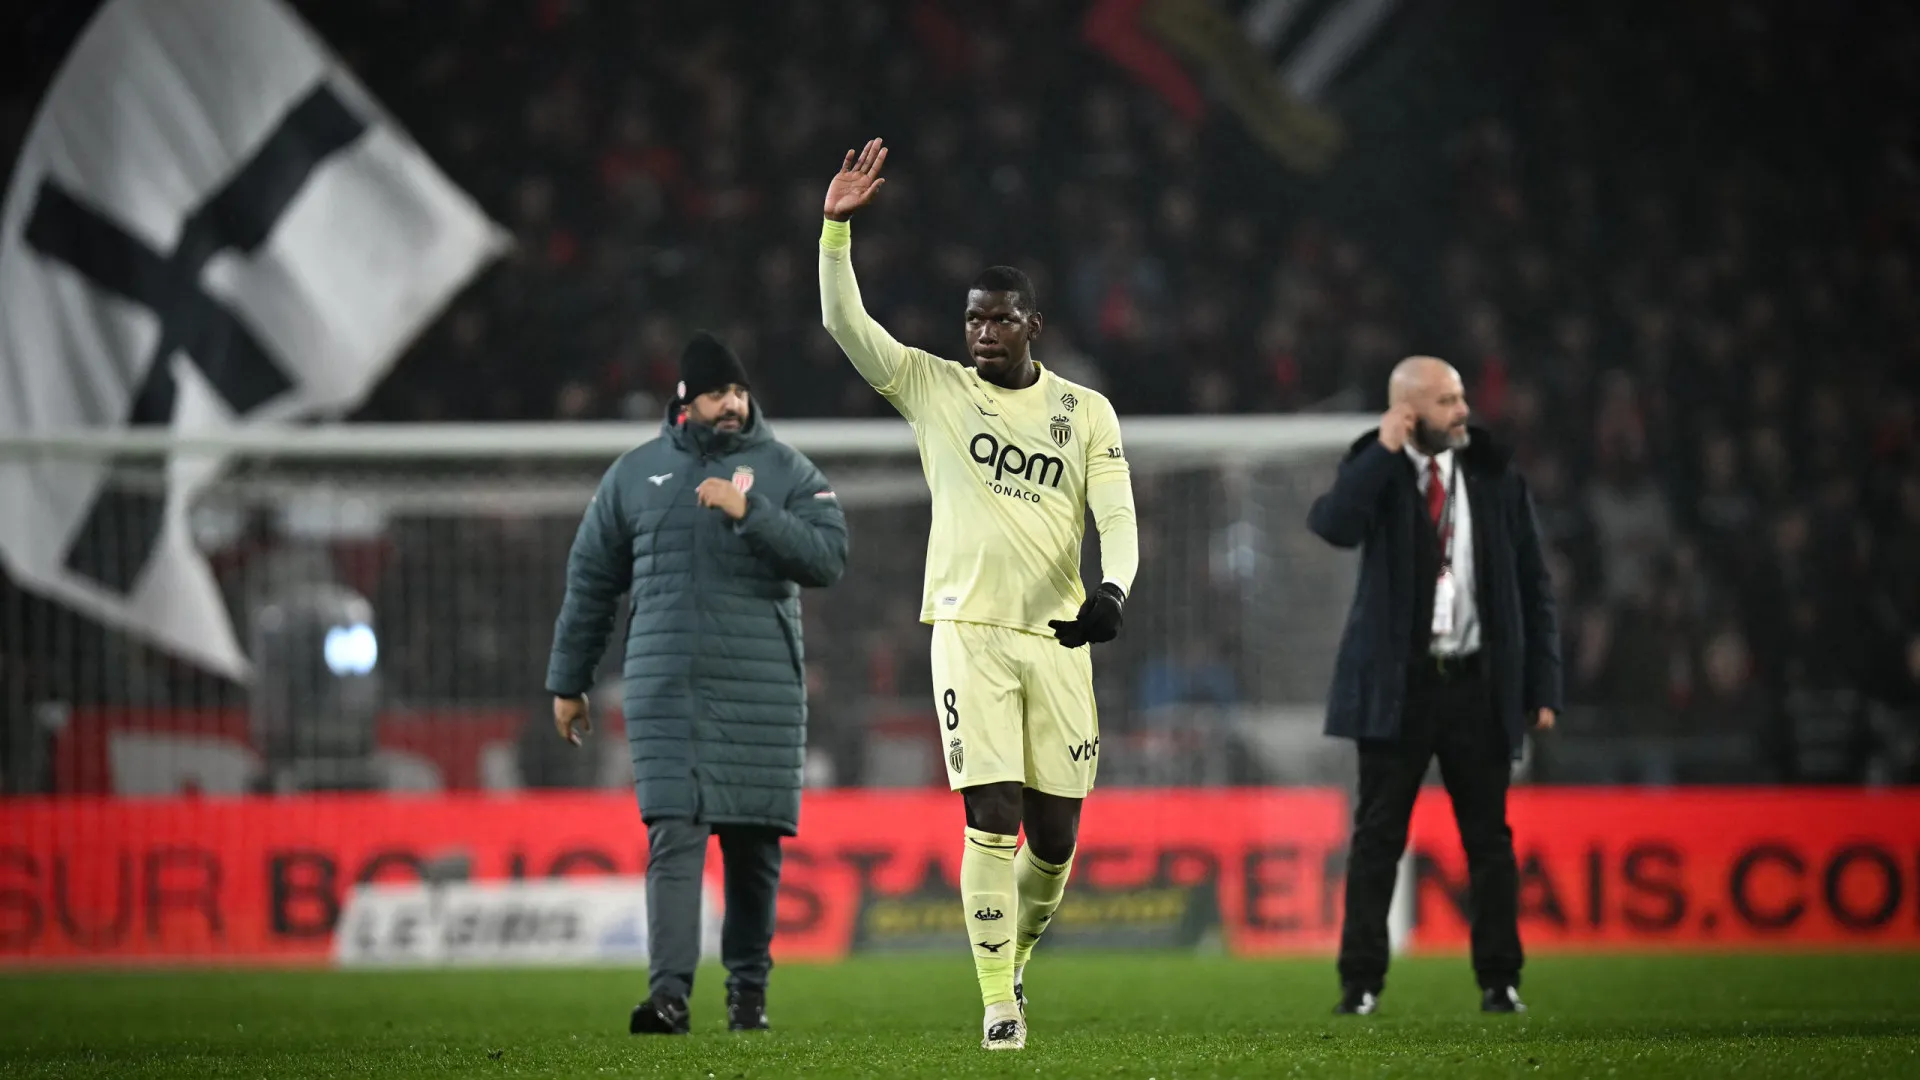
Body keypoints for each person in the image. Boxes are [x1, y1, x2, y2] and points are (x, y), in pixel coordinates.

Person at [819, 138, 1140, 1051]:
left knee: (1055, 840)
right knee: (990, 815)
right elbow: (848, 327)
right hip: (967, 630)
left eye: (1000, 320)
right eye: (973, 320)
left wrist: (1112, 592)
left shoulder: (1085, 412)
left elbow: (1117, 515)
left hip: (1059, 636)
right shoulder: (935, 389)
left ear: (1032, 325)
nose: (983, 333)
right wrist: (835, 233)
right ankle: (999, 1003)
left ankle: (1016, 960)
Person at [545, 332, 848, 1035]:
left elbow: (829, 558)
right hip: (666, 690)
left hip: (761, 691)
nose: (733, 404)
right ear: (685, 401)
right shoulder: (634, 475)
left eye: (739, 392)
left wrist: (753, 513)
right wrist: (568, 681)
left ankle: (748, 996)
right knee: (673, 837)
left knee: (754, 848)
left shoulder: (787, 470)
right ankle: (668, 997)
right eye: (717, 393)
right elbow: (590, 584)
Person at [1307, 356, 1561, 1016]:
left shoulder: (1495, 474)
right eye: (1447, 401)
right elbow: (1333, 525)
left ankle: (1500, 981)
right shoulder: (1379, 470)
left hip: (1477, 685)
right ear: (1410, 411)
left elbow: (1534, 584)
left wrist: (1543, 686)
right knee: (1377, 839)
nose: (1463, 411)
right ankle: (1360, 984)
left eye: (1460, 397)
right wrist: (1384, 450)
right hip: (1400, 688)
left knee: (1489, 842)